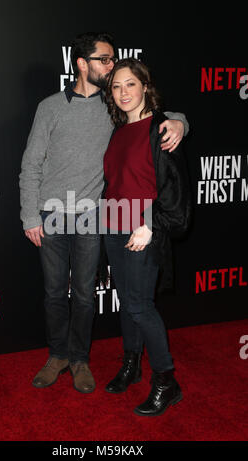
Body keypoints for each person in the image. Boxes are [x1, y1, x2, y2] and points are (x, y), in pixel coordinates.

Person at [19, 32, 189, 394]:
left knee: (84, 293)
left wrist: (180, 122)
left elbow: (153, 116)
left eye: (114, 61)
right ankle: (57, 356)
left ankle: (80, 359)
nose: (111, 69)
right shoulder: (50, 106)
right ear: (82, 63)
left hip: (96, 215)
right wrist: (29, 215)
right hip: (52, 214)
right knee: (53, 293)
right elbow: (30, 164)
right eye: (105, 60)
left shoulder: (111, 107)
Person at [102, 58, 191, 415]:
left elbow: (175, 192)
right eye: (117, 87)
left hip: (143, 228)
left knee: (141, 306)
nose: (124, 92)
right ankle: (131, 364)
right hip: (113, 224)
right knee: (128, 302)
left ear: (144, 87)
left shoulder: (162, 129)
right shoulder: (117, 130)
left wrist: (149, 223)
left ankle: (166, 381)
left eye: (130, 84)